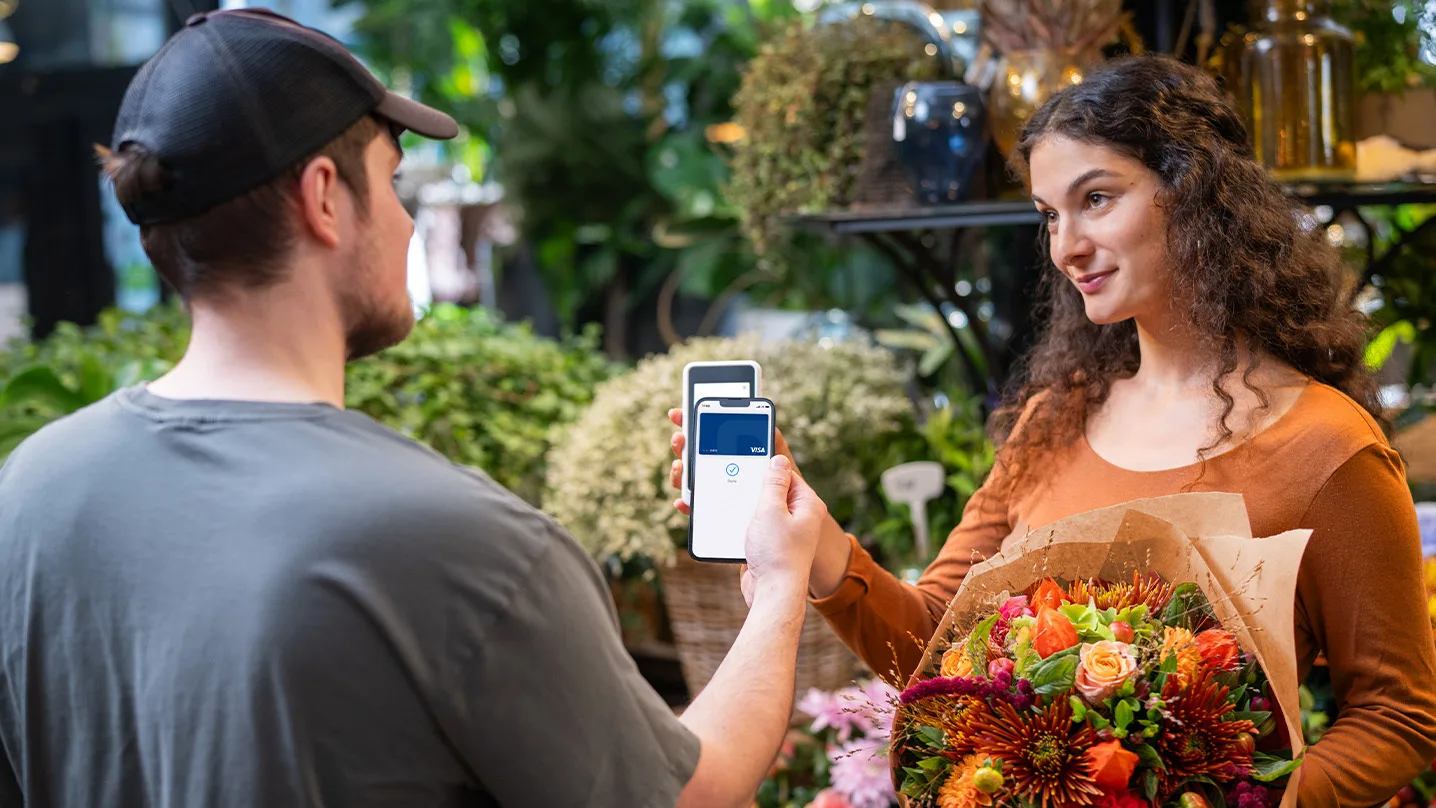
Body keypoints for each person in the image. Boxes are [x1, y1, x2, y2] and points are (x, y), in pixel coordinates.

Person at [0, 9, 827, 808]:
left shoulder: (30, 492)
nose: (404, 223)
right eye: (392, 182)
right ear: (323, 197)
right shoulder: (459, 542)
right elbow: (695, 794)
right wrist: (783, 582)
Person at [669, 55, 1436, 806]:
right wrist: (816, 537)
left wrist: (1255, 798)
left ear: (1197, 195)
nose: (1065, 247)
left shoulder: (1329, 449)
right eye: (1048, 215)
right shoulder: (1054, 420)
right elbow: (933, 648)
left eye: (1096, 198)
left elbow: (1399, 716)